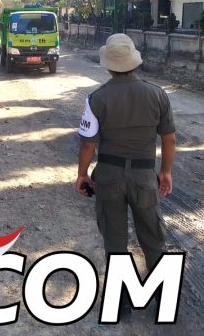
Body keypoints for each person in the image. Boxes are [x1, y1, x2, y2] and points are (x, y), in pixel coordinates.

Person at [75, 33, 176, 322]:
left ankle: (120, 302)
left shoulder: (96, 99)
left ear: (108, 65)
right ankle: (163, 296)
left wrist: (82, 174)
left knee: (115, 238)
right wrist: (165, 171)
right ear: (134, 62)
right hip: (144, 176)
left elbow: (88, 144)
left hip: (109, 177)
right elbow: (169, 139)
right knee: (152, 236)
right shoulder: (157, 95)